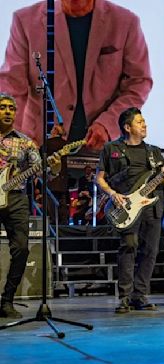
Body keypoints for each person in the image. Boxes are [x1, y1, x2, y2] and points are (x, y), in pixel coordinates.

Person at [0, 0, 152, 150]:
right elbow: (12, 87)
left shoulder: (126, 22)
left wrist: (108, 124)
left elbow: (139, 82)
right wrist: (18, 138)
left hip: (103, 148)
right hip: (40, 146)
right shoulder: (25, 20)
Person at [96, 107, 164, 313]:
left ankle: (140, 296)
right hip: (125, 206)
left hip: (152, 207)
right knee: (128, 247)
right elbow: (99, 178)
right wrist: (112, 194)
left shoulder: (153, 152)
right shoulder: (111, 148)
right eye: (140, 122)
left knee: (150, 252)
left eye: (144, 122)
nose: (145, 125)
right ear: (127, 127)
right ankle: (124, 296)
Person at [0, 93, 61, 318]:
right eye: (3, 107)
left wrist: (53, 167)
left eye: (11, 108)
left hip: (16, 199)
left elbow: (44, 173)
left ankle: (7, 300)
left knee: (22, 249)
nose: (7, 111)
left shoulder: (25, 142)